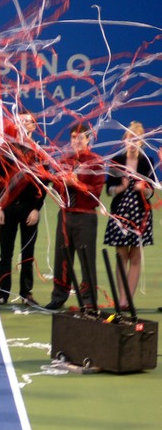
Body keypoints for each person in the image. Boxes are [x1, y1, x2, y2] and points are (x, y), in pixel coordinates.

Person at [0, 110, 46, 307]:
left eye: (27, 122)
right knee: (6, 253)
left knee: (27, 252)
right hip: (8, 208)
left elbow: (43, 184)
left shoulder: (38, 151)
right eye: (19, 121)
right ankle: (3, 293)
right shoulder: (6, 149)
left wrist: (37, 208)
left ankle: (26, 293)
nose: (23, 124)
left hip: (30, 209)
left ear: (33, 126)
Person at [45, 123, 105, 310]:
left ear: (88, 139)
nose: (77, 141)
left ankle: (88, 300)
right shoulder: (64, 160)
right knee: (61, 257)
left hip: (85, 217)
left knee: (86, 258)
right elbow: (56, 187)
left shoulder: (97, 162)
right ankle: (59, 296)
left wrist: (77, 183)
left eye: (81, 137)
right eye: (73, 137)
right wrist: (61, 182)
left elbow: (96, 192)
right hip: (65, 215)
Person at [103, 122, 156, 309]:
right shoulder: (116, 160)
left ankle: (127, 300)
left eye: (136, 140)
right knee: (121, 255)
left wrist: (144, 189)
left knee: (135, 257)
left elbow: (152, 191)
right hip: (120, 213)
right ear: (124, 141)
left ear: (141, 142)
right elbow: (108, 190)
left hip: (140, 214)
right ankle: (121, 297)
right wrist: (121, 188)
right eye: (129, 139)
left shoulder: (146, 161)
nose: (132, 143)